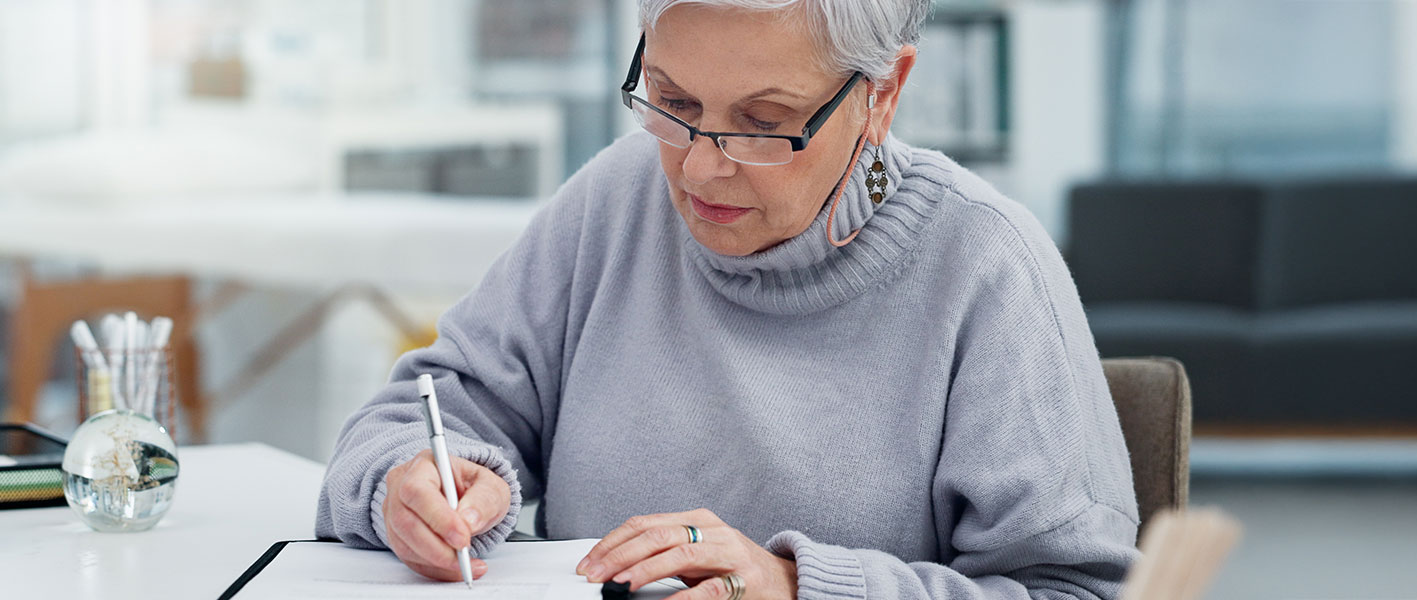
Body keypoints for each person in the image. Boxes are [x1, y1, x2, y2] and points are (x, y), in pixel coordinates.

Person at [316, 1, 1140, 598]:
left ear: (882, 96)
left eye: (763, 122)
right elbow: (411, 418)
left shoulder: (985, 263)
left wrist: (793, 587)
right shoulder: (617, 195)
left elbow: (1074, 592)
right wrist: (405, 485)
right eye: (672, 104)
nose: (701, 169)